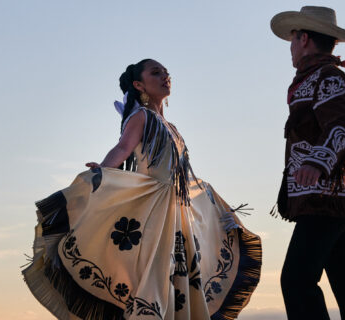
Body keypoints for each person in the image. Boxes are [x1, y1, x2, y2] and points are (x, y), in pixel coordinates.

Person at [22, 59, 261, 320]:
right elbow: (123, 148)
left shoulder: (173, 128)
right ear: (139, 84)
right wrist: (103, 169)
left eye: (167, 73)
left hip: (178, 211)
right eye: (156, 72)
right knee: (156, 273)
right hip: (156, 208)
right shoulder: (140, 116)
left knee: (178, 276)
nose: (165, 76)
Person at [269, 6, 345, 319]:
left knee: (297, 280)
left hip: (325, 195)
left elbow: (342, 124)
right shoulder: (316, 78)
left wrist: (317, 163)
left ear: (303, 39)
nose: (290, 48)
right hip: (333, 196)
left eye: (292, 40)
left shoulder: (328, 77)